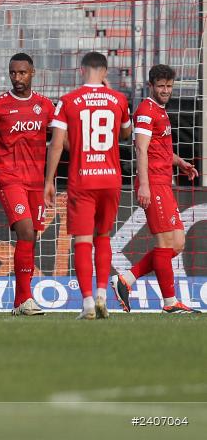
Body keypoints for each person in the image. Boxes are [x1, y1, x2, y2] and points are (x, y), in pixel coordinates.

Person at [0, 53, 54, 316]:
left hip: (36, 181)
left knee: (31, 236)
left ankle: (19, 302)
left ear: (32, 73)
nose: (17, 78)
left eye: (22, 73)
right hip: (9, 179)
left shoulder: (45, 105)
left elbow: (61, 139)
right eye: (13, 73)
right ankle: (25, 300)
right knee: (26, 231)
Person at [44, 51, 132, 320]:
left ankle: (87, 304)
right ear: (105, 72)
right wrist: (111, 95)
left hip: (82, 178)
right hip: (110, 178)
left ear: (82, 71)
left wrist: (49, 180)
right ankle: (104, 295)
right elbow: (126, 133)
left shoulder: (68, 101)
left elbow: (57, 143)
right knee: (103, 236)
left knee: (82, 240)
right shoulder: (119, 99)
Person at [112, 65, 200, 314]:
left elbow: (159, 149)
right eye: (161, 86)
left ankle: (126, 279)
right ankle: (170, 303)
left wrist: (179, 162)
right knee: (164, 243)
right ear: (151, 86)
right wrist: (145, 185)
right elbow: (141, 148)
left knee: (178, 243)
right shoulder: (145, 111)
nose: (165, 90)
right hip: (154, 183)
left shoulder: (160, 111)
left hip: (164, 182)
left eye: (169, 86)